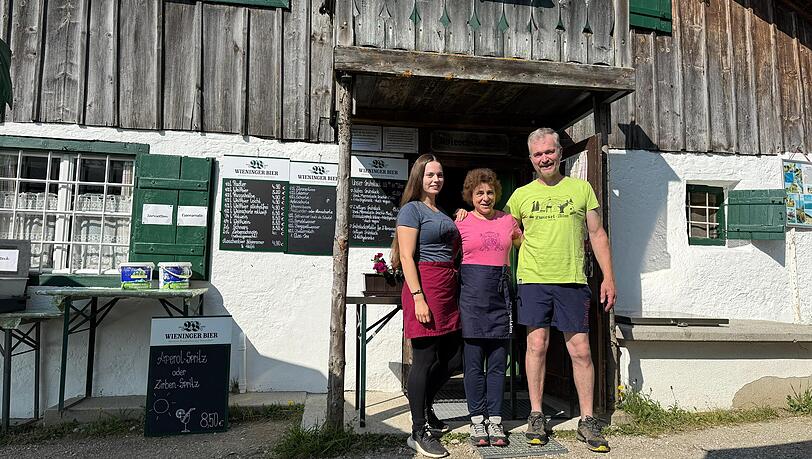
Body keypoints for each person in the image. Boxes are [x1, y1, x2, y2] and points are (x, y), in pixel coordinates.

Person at [505, 127, 616, 453]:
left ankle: (587, 420)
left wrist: (608, 277)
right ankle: (537, 415)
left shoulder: (581, 189)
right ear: (531, 159)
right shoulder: (521, 195)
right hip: (534, 280)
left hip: (573, 281)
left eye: (549, 152)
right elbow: (507, 231)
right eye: (538, 154)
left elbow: (597, 234)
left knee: (581, 350)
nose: (545, 158)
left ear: (560, 153)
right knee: (536, 345)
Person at [392, 153, 462, 459]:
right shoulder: (411, 210)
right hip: (426, 286)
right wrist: (418, 296)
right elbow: (407, 256)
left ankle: (423, 405)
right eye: (430, 174)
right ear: (419, 177)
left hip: (447, 288)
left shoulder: (440, 210)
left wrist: (459, 218)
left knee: (455, 357)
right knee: (425, 358)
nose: (436, 179)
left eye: (440, 175)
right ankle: (418, 431)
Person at [454, 168, 522, 447]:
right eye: (479, 192)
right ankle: (476, 421)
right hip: (471, 299)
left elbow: (527, 246)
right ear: (470, 195)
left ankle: (495, 420)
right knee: (472, 367)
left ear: (496, 194)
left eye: (490, 192)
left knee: (497, 365)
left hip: (500, 298)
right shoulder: (460, 221)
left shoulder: (509, 221)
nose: (485, 197)